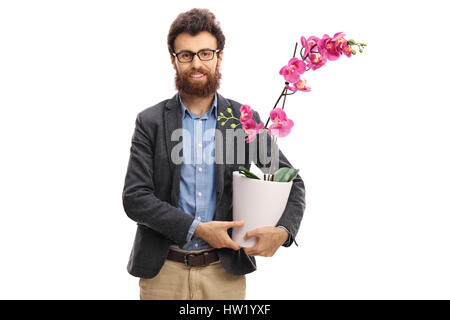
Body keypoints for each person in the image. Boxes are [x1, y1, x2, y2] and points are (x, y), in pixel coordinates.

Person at [122, 8, 306, 300]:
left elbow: (292, 183)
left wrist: (283, 231)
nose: (196, 63)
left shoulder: (242, 119)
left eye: (205, 53)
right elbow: (135, 198)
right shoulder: (151, 122)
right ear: (174, 60)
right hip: (162, 275)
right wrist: (198, 229)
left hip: (224, 274)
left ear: (220, 56)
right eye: (186, 55)